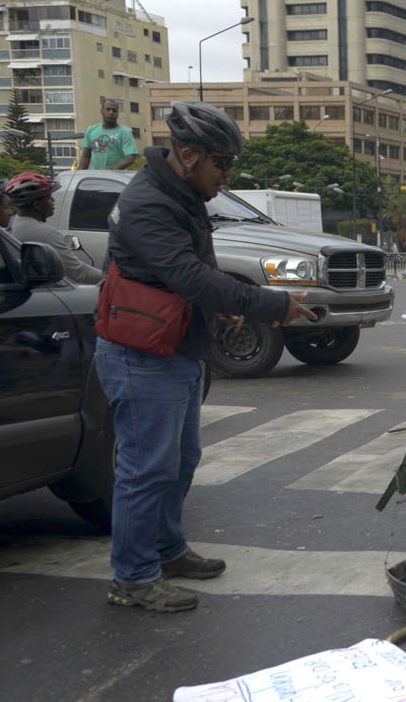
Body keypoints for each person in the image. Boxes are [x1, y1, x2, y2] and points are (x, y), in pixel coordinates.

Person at [95, 101, 316, 613]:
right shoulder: (149, 202)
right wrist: (272, 303)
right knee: (146, 468)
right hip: (141, 352)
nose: (228, 174)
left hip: (177, 345)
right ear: (188, 154)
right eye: (222, 163)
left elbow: (194, 269)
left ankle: (167, 550)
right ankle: (132, 577)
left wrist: (219, 314)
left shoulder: (184, 193)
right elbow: (189, 277)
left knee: (180, 461)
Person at [6, 172, 104, 284]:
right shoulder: (44, 233)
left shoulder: (15, 223)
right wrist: (110, 277)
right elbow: (80, 273)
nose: (53, 201)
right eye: (49, 198)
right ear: (37, 205)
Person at [77, 99, 140, 171]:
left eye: (114, 110)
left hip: (117, 177)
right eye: (108, 109)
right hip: (95, 177)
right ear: (101, 111)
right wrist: (78, 174)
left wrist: (115, 168)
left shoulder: (125, 133)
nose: (111, 112)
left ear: (118, 113)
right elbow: (86, 156)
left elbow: (131, 157)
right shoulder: (91, 130)